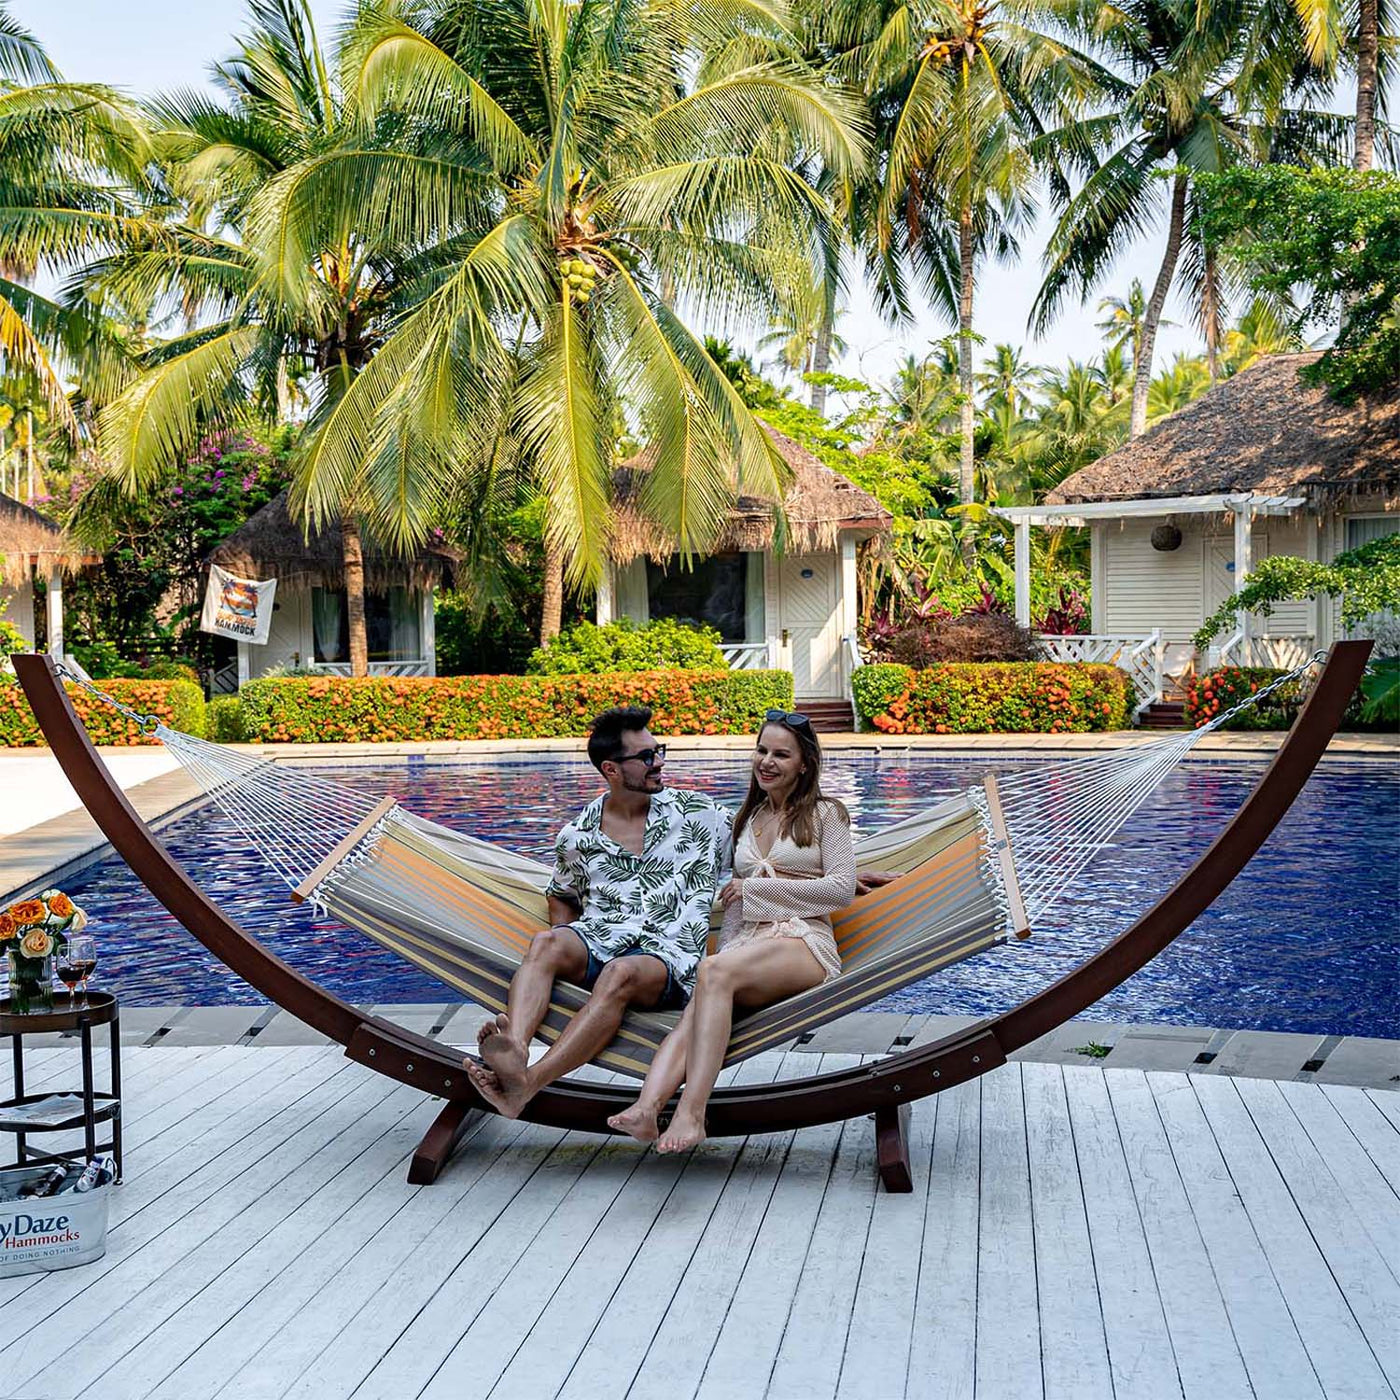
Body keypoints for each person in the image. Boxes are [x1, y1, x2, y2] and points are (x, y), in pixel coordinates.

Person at [608, 709, 891, 1152]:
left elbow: (837, 891)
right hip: (750, 945)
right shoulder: (747, 817)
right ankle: (646, 1110)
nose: (767, 761)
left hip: (803, 942)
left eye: (782, 753)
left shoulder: (826, 814)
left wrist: (757, 888)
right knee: (701, 1000)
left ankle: (692, 1113)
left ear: (804, 763)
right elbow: (706, 871)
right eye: (762, 750)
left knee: (713, 973)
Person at [465, 705, 732, 1118]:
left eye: (658, 750)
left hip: (669, 955)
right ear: (611, 769)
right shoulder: (577, 835)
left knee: (618, 973)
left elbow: (765, 847)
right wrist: (567, 937)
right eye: (645, 757)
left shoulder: (702, 816)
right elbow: (561, 893)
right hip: (600, 936)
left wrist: (829, 874)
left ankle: (528, 1085)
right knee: (546, 943)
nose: (658, 762)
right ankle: (515, 1048)